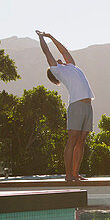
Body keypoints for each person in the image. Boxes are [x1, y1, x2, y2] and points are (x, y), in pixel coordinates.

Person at [36, 30, 94, 183]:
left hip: (87, 105)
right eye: (57, 61)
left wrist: (51, 37)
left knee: (82, 140)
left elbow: (64, 50)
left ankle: (75, 174)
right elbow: (46, 52)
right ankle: (68, 175)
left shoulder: (71, 66)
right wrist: (41, 38)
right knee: (73, 140)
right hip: (76, 106)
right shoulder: (58, 70)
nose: (59, 59)